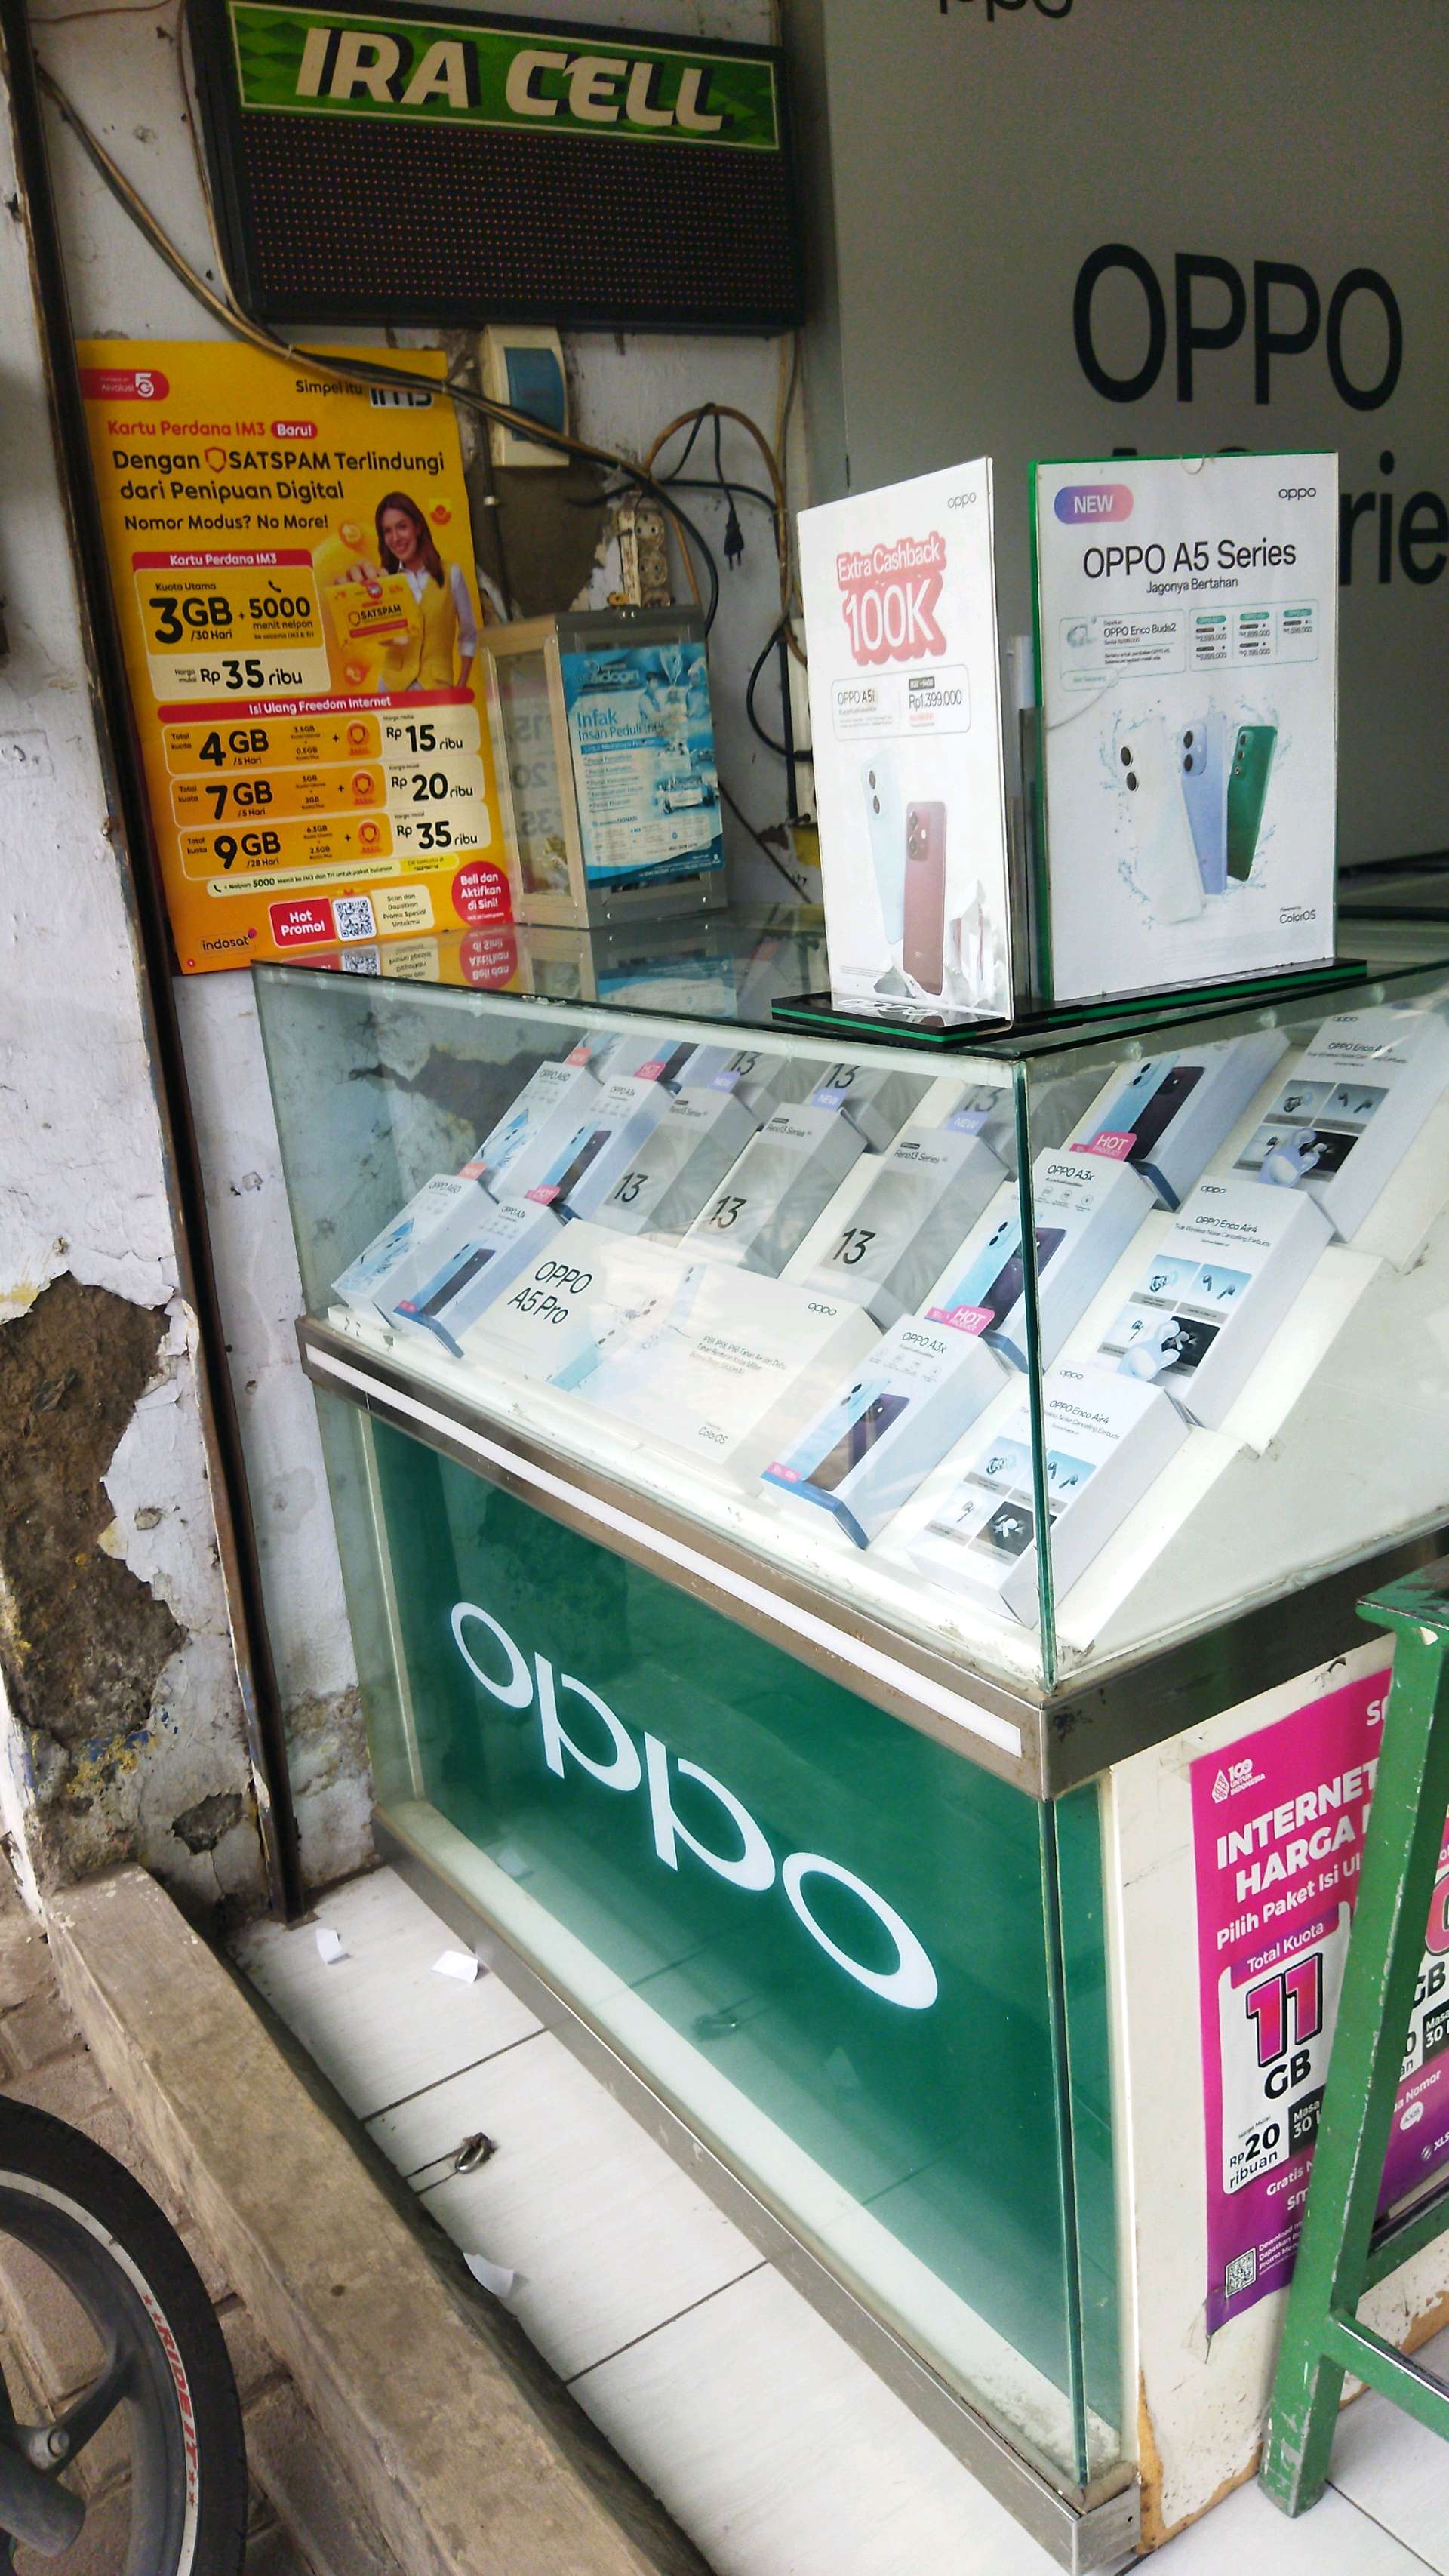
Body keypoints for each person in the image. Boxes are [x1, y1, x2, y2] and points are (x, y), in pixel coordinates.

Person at [367, 491, 478, 691]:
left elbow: (468, 633)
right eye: (387, 531)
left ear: (417, 527)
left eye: (402, 526)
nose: (395, 538)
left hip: (436, 686)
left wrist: (461, 685)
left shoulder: (451, 574)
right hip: (392, 687)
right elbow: (383, 638)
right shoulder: (385, 581)